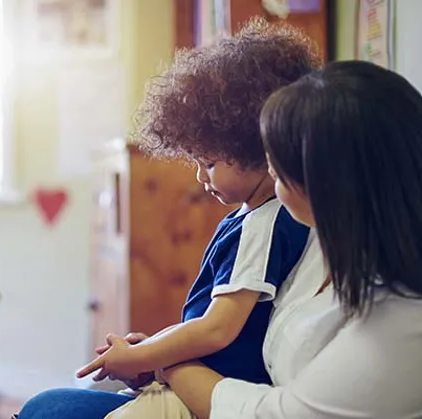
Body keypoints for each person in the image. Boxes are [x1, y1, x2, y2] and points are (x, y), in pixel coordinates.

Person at [17, 17, 322, 419]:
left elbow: (218, 328)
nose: (200, 178)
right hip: (194, 378)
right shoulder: (251, 218)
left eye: (209, 163)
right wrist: (152, 351)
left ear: (262, 151)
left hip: (213, 392)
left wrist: (146, 354)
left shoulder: (263, 225)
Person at [158, 60, 422, 419]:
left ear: (326, 183)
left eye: (277, 169)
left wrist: (171, 364)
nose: (270, 176)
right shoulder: (327, 240)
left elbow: (276, 414)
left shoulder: (406, 324)